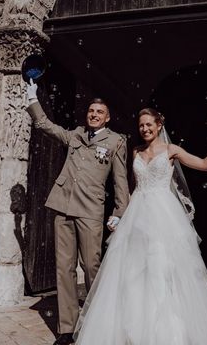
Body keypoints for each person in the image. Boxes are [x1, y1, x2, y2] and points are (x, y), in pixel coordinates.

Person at [73, 108, 207, 345]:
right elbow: (133, 190)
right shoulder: (135, 151)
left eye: (148, 124)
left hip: (164, 216)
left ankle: (166, 331)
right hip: (137, 216)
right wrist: (121, 216)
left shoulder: (171, 150)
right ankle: (135, 327)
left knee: (162, 269)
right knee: (133, 272)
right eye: (141, 125)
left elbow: (204, 164)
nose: (144, 129)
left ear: (159, 124)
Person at [25, 80, 129, 345]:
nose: (93, 115)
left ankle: (99, 320)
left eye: (99, 112)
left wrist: (119, 211)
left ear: (107, 117)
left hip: (91, 210)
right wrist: (32, 99)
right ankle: (67, 328)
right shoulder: (76, 135)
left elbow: (120, 182)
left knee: (92, 266)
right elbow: (46, 126)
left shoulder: (116, 142)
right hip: (63, 207)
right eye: (91, 111)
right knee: (64, 268)